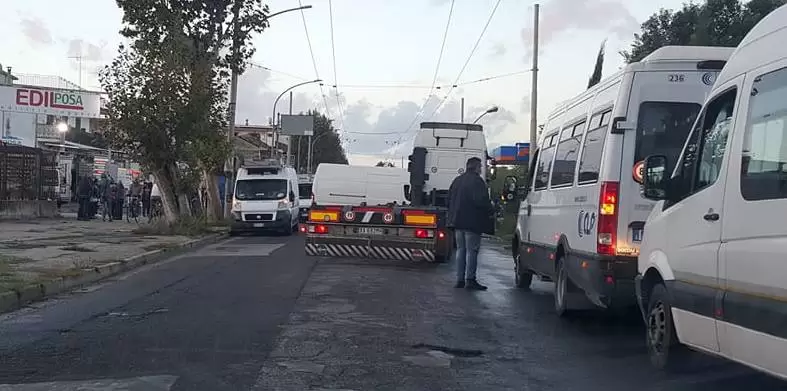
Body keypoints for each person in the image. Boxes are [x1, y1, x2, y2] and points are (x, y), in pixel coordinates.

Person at [446, 157, 495, 291]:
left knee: (461, 250)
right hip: (472, 222)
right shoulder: (477, 182)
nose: (481, 169)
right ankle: (470, 280)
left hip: (457, 221)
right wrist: (491, 208)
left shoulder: (457, 180)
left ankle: (459, 279)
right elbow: (481, 201)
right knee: (472, 251)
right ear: (476, 167)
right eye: (480, 167)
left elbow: (449, 199)